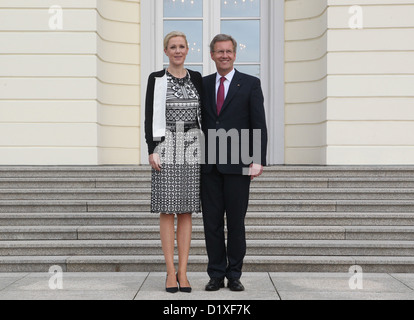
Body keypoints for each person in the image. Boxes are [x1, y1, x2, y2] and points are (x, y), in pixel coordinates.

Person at [201, 34, 268, 292]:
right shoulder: (203, 84)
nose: (224, 55)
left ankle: (235, 274)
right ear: (212, 55)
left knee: (236, 222)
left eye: (228, 51)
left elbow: (258, 123)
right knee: (212, 223)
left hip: (239, 164)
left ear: (235, 54)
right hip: (209, 166)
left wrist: (258, 159)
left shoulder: (250, 83)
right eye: (219, 52)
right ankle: (216, 274)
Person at [144, 31, 203, 294]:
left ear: (187, 50)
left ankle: (183, 272)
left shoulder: (197, 79)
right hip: (166, 145)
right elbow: (149, 116)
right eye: (172, 47)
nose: (177, 50)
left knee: (187, 210)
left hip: (192, 146)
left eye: (181, 46)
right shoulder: (156, 79)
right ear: (165, 51)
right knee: (167, 209)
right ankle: (169, 272)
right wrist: (152, 148)